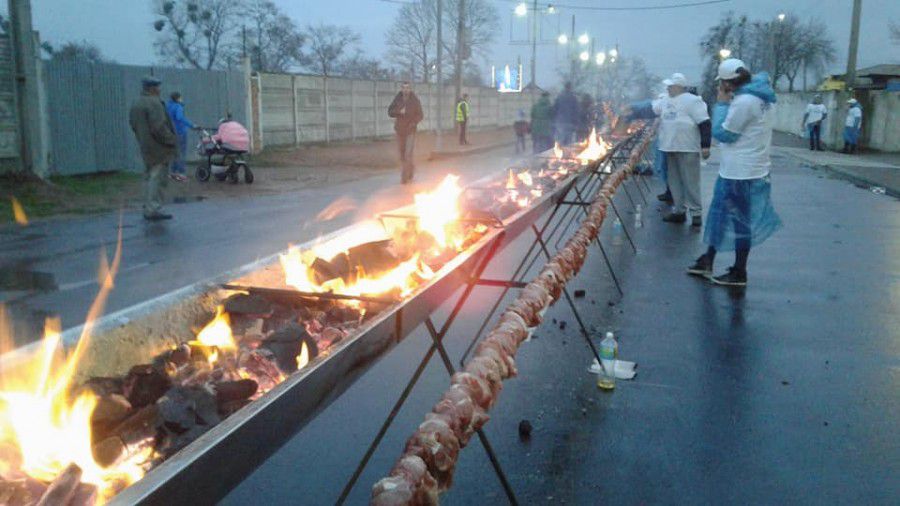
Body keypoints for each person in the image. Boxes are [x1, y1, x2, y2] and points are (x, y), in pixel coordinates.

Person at [687, 59, 782, 286]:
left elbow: (725, 133)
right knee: (721, 216)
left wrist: (720, 105)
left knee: (739, 221)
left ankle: (739, 271)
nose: (721, 89)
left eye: (722, 85)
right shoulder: (764, 99)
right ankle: (708, 259)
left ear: (729, 84)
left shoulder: (745, 101)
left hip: (740, 173)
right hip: (749, 169)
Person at [653, 72, 711, 227]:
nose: (668, 88)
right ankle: (679, 210)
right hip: (670, 147)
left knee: (691, 181)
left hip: (687, 147)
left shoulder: (693, 101)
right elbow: (653, 110)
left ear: (678, 86)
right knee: (674, 181)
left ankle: (696, 212)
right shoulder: (666, 101)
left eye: (670, 86)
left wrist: (705, 145)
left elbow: (704, 123)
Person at [129, 76, 178, 221]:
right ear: (152, 88)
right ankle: (153, 208)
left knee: (149, 176)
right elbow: (159, 127)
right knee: (157, 178)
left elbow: (132, 123)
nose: (159, 89)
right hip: (159, 147)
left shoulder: (136, 103)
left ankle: (148, 206)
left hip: (145, 145)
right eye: (157, 86)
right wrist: (172, 140)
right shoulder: (154, 103)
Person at [388, 81, 424, 184]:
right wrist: (399, 112)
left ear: (410, 89)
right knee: (402, 154)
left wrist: (413, 123)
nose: (405, 90)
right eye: (404, 88)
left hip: (410, 131)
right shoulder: (397, 99)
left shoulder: (415, 100)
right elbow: (390, 112)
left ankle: (404, 176)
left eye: (407, 88)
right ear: (401, 89)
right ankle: (410, 169)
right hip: (399, 130)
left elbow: (420, 115)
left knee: (408, 153)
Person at [165, 91, 195, 182]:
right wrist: (191, 125)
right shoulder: (178, 107)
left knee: (174, 152)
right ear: (178, 98)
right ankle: (181, 173)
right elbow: (180, 117)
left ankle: (173, 172)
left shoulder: (168, 106)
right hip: (180, 132)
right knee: (181, 153)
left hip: (171, 132)